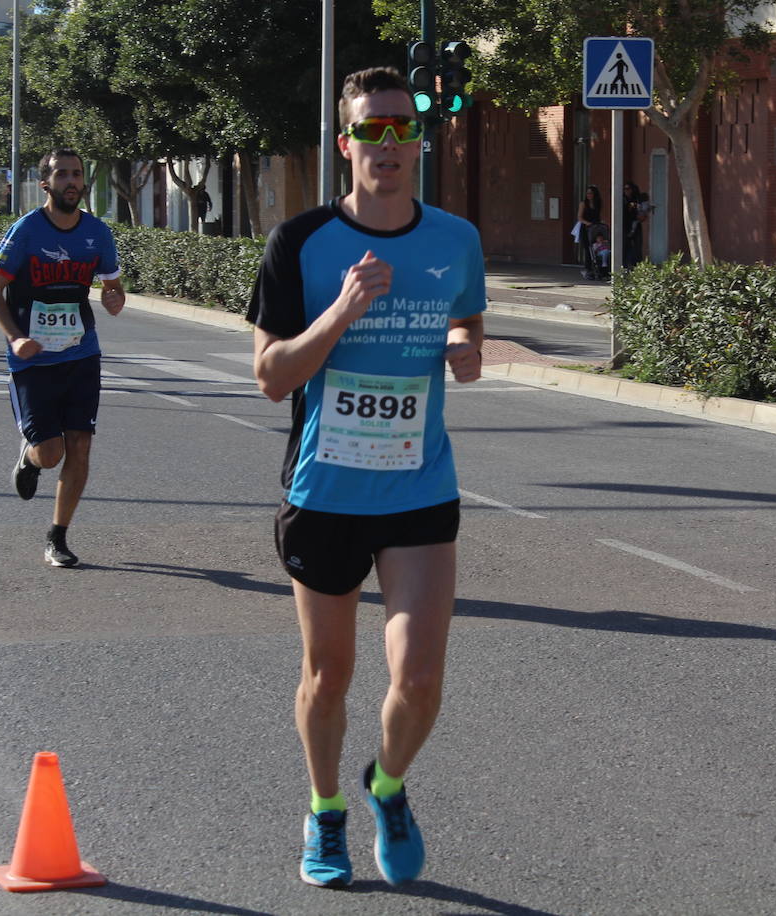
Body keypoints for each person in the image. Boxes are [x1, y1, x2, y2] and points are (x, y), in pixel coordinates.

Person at [248, 65, 485, 890]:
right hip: (326, 493)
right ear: (345, 144)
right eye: (370, 131)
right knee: (329, 676)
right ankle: (323, 810)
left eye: (400, 128)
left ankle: (386, 786)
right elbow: (273, 375)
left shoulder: (455, 239)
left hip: (419, 486)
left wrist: (463, 347)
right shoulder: (302, 244)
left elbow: (466, 315)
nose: (386, 144)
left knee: (419, 679)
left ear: (419, 139)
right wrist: (340, 312)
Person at [0, 149, 125, 568]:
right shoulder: (27, 231)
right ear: (45, 183)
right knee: (51, 453)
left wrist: (114, 297)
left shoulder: (97, 233)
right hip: (32, 358)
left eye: (77, 174)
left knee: (80, 445)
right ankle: (29, 458)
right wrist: (14, 338)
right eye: (62, 174)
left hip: (82, 353)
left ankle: (57, 536)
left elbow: (112, 287)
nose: (71, 181)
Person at [622, 180, 652, 270]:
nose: (626, 191)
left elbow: (642, 213)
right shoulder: (622, 199)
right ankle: (624, 266)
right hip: (624, 226)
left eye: (628, 189)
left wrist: (642, 215)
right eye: (625, 189)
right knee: (625, 246)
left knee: (637, 247)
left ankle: (637, 267)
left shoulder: (637, 199)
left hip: (636, 225)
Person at [576, 185, 603, 280]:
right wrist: (588, 223)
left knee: (597, 248)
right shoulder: (583, 204)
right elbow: (579, 217)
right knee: (588, 250)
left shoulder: (597, 203)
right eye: (587, 193)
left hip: (595, 228)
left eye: (591, 193)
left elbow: (599, 215)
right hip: (586, 228)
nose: (589, 195)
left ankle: (600, 269)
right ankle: (588, 270)